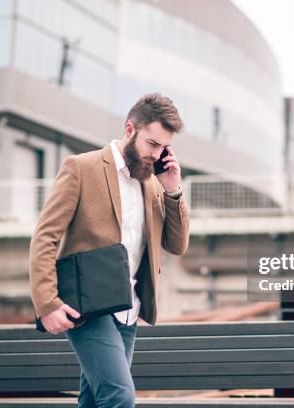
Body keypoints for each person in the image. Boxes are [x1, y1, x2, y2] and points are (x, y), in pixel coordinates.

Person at [28, 93, 190, 407]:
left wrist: (173, 190)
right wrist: (47, 303)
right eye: (151, 144)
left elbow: (177, 244)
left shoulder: (154, 184)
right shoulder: (81, 168)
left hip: (129, 310)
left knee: (94, 400)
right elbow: (45, 237)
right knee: (119, 397)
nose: (156, 155)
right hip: (87, 308)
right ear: (130, 130)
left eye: (163, 148)